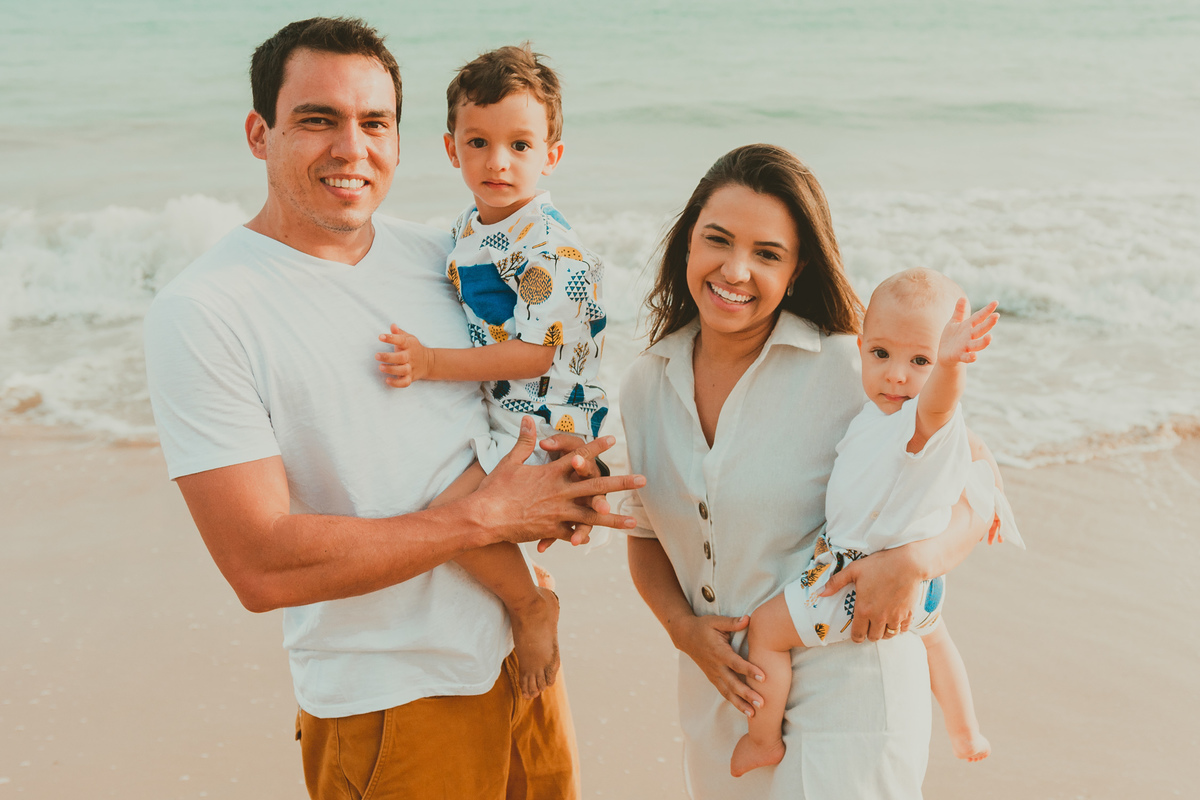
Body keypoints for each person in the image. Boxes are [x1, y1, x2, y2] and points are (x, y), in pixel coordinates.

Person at [142, 17, 640, 800]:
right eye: (317, 119)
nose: (352, 147)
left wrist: (570, 474)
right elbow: (260, 565)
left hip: (521, 665)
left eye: (374, 122)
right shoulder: (206, 310)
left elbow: (528, 381)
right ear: (258, 132)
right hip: (390, 702)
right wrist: (490, 518)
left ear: (403, 141)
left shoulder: (442, 256)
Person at [620, 144, 998, 799]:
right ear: (686, 246)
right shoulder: (644, 384)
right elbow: (647, 536)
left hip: (852, 683)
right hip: (727, 705)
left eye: (767, 253)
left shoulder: (851, 366)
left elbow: (980, 489)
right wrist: (683, 631)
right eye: (717, 241)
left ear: (796, 272)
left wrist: (914, 565)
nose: (736, 270)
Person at [374, 43, 607, 700]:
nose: (497, 162)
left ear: (551, 155)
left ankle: (532, 606)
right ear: (451, 148)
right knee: (445, 502)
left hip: (549, 418)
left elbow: (536, 354)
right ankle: (529, 582)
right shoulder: (473, 226)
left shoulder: (551, 249)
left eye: (520, 146)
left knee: (450, 512)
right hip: (506, 408)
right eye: (478, 142)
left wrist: (429, 365)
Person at [731, 268, 1023, 777]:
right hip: (923, 590)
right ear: (860, 347)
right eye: (881, 354)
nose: (897, 375)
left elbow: (940, 408)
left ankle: (762, 739)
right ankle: (964, 728)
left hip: (856, 579)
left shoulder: (918, 421)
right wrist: (988, 475)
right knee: (936, 640)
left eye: (921, 361)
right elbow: (970, 446)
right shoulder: (882, 417)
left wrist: (949, 367)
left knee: (767, 630)